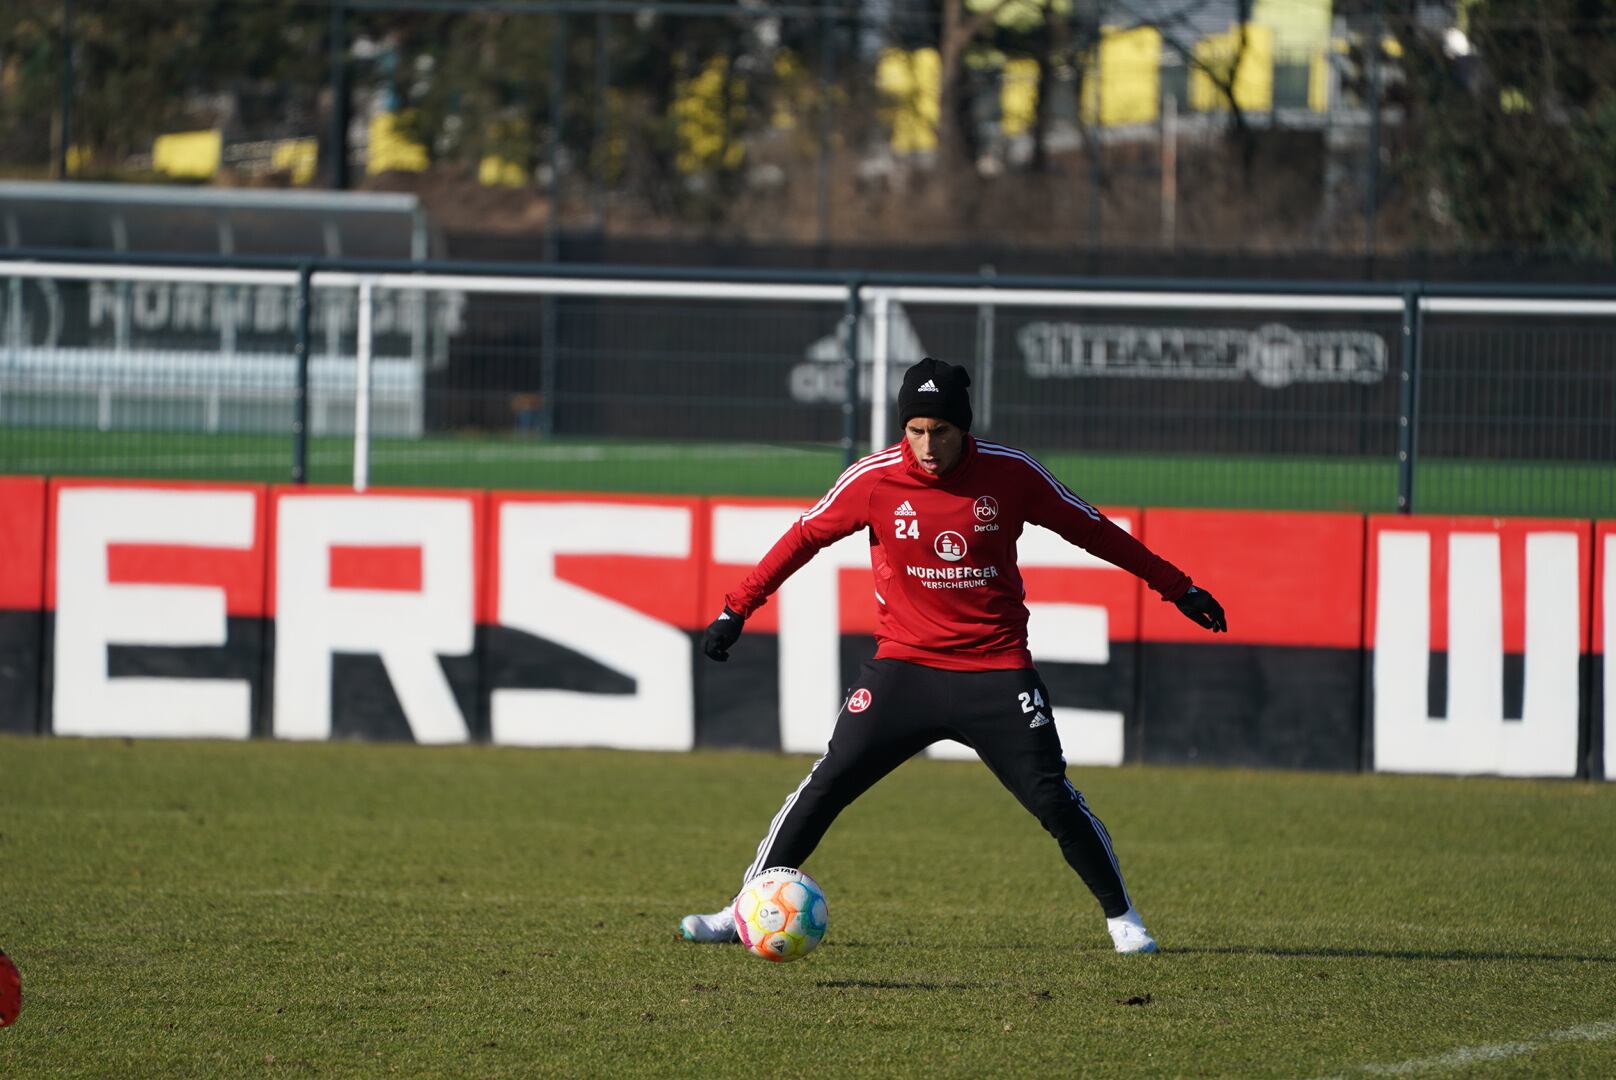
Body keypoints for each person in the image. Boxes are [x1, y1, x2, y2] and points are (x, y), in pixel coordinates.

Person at [679, 357, 1226, 954]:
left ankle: (1123, 919)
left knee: (1052, 798)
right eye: (914, 429)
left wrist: (1178, 587)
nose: (926, 444)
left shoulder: (1011, 473)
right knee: (827, 783)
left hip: (995, 671)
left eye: (939, 430)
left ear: (963, 427)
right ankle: (741, 912)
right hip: (903, 670)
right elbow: (804, 536)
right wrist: (737, 609)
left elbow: (1092, 529)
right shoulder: (874, 478)